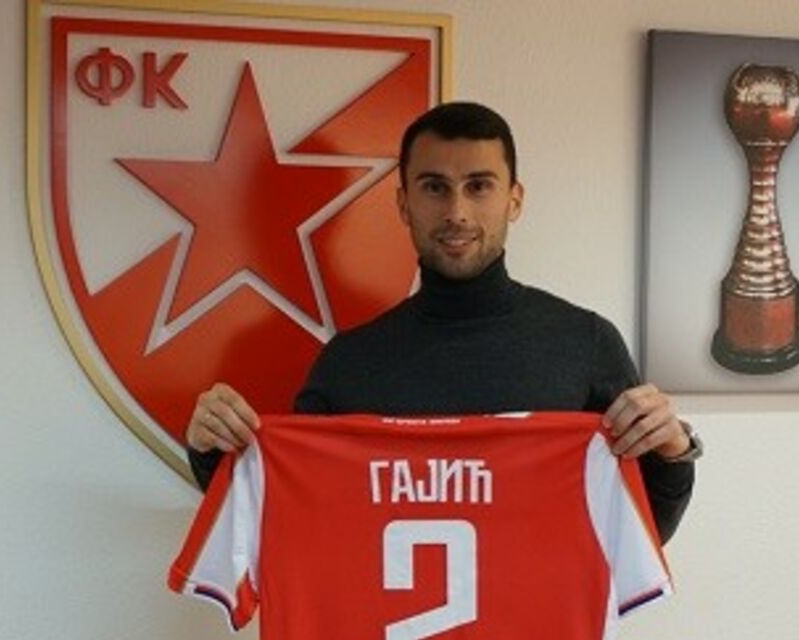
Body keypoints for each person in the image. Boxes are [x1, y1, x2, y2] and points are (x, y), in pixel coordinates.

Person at [185, 101, 698, 541]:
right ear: (403, 203)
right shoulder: (347, 363)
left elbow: (644, 531)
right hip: (383, 634)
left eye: (479, 186)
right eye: (434, 187)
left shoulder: (585, 343)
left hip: (540, 631)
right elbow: (285, 525)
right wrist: (212, 450)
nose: (457, 211)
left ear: (514, 200)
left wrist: (672, 451)